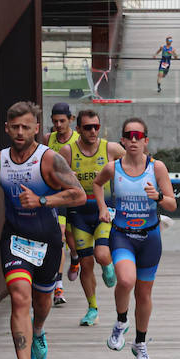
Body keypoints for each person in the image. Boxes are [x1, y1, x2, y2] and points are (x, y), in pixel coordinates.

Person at [0, 101, 86, 359]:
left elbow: (78, 194)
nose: (20, 132)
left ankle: (38, 330)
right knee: (19, 298)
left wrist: (43, 201)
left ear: (37, 128)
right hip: (15, 239)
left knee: (42, 303)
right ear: (6, 128)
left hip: (48, 241)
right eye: (15, 127)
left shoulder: (48, 160)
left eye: (26, 127)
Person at [93, 118, 177, 359]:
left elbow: (172, 203)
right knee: (126, 280)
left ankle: (140, 343)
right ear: (122, 140)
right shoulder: (113, 168)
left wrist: (158, 196)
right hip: (123, 235)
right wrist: (102, 208)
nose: (133, 140)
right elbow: (97, 184)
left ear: (145, 141)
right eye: (128, 136)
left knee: (144, 293)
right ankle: (121, 322)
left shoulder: (157, 168)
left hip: (150, 238)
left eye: (138, 136)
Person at [65, 109, 124, 325]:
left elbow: (135, 165)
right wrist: (65, 178)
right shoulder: (67, 151)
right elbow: (53, 176)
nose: (92, 131)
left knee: (101, 254)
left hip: (104, 209)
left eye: (96, 127)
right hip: (78, 213)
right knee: (86, 263)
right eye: (87, 127)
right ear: (78, 129)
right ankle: (93, 309)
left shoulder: (111, 148)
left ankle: (108, 265)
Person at [46, 103, 80, 306]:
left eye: (62, 121)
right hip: (54, 194)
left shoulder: (77, 140)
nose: (58, 125)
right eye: (55, 121)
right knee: (59, 236)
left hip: (72, 193)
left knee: (70, 236)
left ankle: (75, 259)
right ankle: (58, 286)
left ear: (71, 119)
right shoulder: (48, 139)